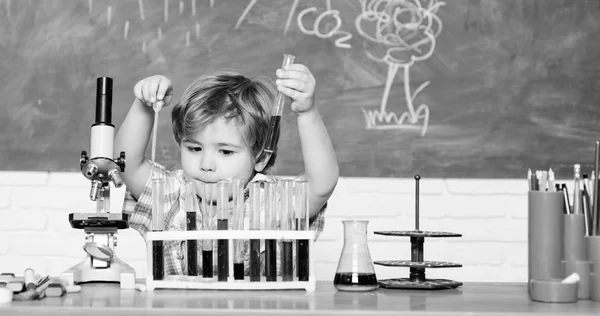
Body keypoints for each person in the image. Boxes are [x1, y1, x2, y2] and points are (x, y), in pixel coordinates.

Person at [114, 60, 339, 275]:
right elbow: (127, 163)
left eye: (226, 152)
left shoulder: (273, 202)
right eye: (194, 148)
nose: (206, 165)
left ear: (260, 157)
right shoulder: (171, 194)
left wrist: (307, 113)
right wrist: (144, 104)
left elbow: (321, 184)